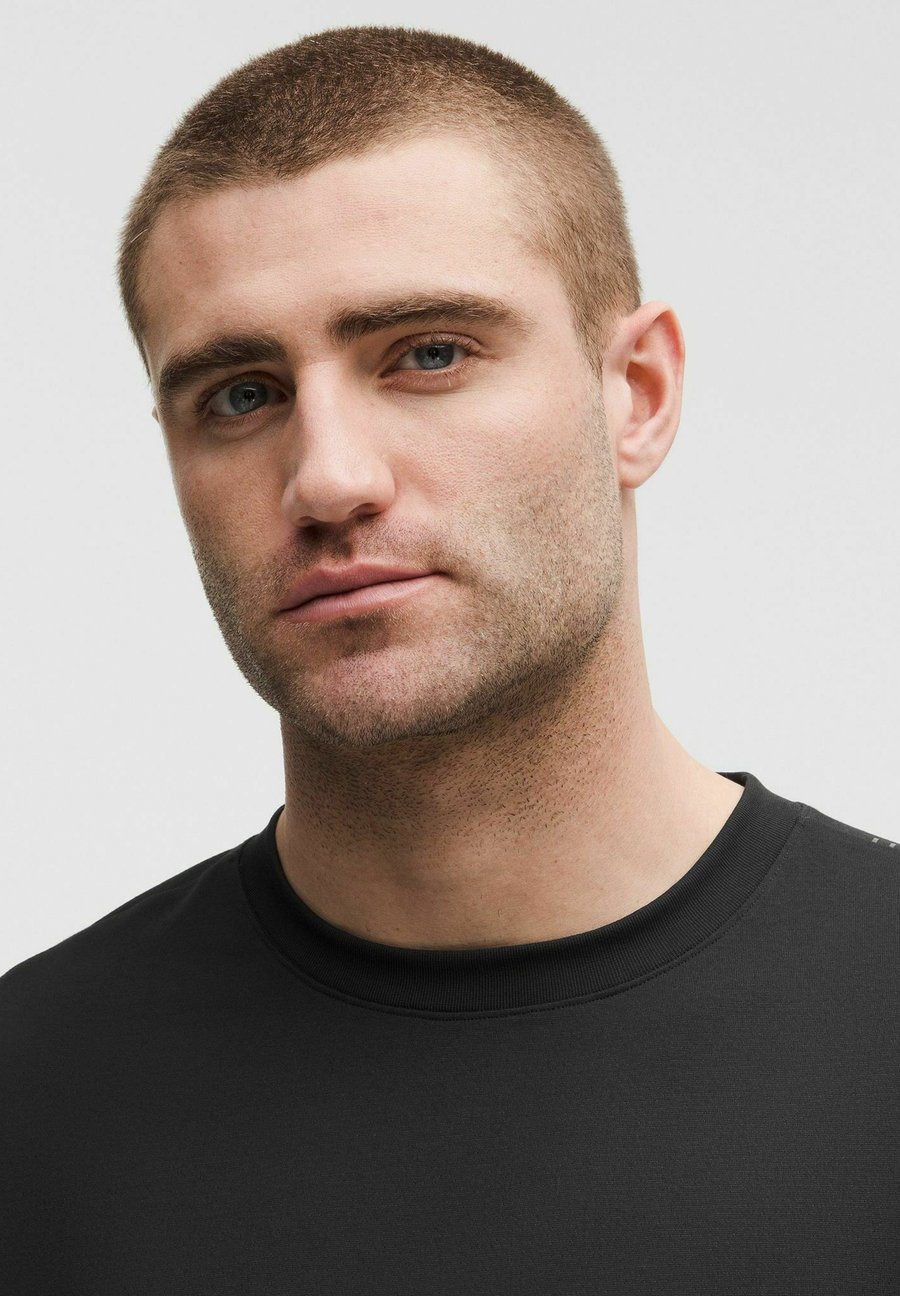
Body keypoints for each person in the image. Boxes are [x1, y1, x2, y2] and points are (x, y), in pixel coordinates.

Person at [2, 25, 897, 1294]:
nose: (328, 478)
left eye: (428, 353)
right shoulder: (31, 1102)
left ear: (636, 394)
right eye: (242, 394)